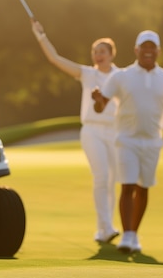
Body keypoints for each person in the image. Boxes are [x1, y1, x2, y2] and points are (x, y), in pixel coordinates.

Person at [92, 30, 163, 254]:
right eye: (143, 47)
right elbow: (100, 106)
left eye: (151, 47)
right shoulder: (121, 76)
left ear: (158, 51)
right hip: (126, 139)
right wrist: (97, 100)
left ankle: (134, 233)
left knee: (143, 188)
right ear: (136, 50)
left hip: (153, 142)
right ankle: (126, 235)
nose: (147, 51)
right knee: (128, 186)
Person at [30, 20, 120, 243]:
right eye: (95, 52)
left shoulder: (121, 76)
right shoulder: (87, 74)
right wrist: (41, 35)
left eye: (102, 51)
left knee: (112, 181)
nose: (98, 55)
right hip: (92, 131)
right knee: (101, 177)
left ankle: (103, 230)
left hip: (115, 132)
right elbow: (55, 58)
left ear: (111, 54)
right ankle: (106, 228)